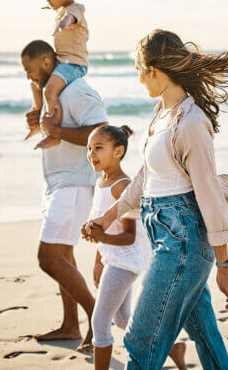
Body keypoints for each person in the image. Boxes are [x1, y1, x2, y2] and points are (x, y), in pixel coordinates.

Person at [84, 29, 228, 369]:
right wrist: (108, 216)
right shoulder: (163, 114)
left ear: (155, 71)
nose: (138, 78)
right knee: (204, 335)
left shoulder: (191, 123)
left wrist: (224, 266)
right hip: (164, 235)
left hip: (184, 243)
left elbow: (209, 197)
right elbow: (146, 178)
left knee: (141, 339)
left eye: (139, 70)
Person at [21, 39, 107, 351]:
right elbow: (55, 129)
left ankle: (98, 320)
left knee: (49, 258)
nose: (29, 77)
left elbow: (102, 131)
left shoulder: (76, 89)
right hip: (59, 184)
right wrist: (38, 122)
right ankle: (71, 325)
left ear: (47, 63)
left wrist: (55, 132)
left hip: (75, 184)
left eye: (30, 69)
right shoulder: (53, 94)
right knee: (65, 256)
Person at [83, 124, 188, 370]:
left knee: (100, 322)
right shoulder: (101, 182)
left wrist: (101, 239)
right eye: (89, 148)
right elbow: (105, 227)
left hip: (126, 261)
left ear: (118, 152)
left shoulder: (123, 186)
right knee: (122, 319)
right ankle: (173, 348)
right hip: (113, 259)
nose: (91, 154)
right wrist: (99, 261)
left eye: (99, 148)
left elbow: (129, 237)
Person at [26, 0, 90, 149]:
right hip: (63, 62)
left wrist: (65, 22)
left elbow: (72, 16)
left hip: (74, 64)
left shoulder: (74, 9)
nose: (48, 1)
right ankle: (38, 122)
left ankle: (54, 132)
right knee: (36, 85)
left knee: (50, 91)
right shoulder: (62, 11)